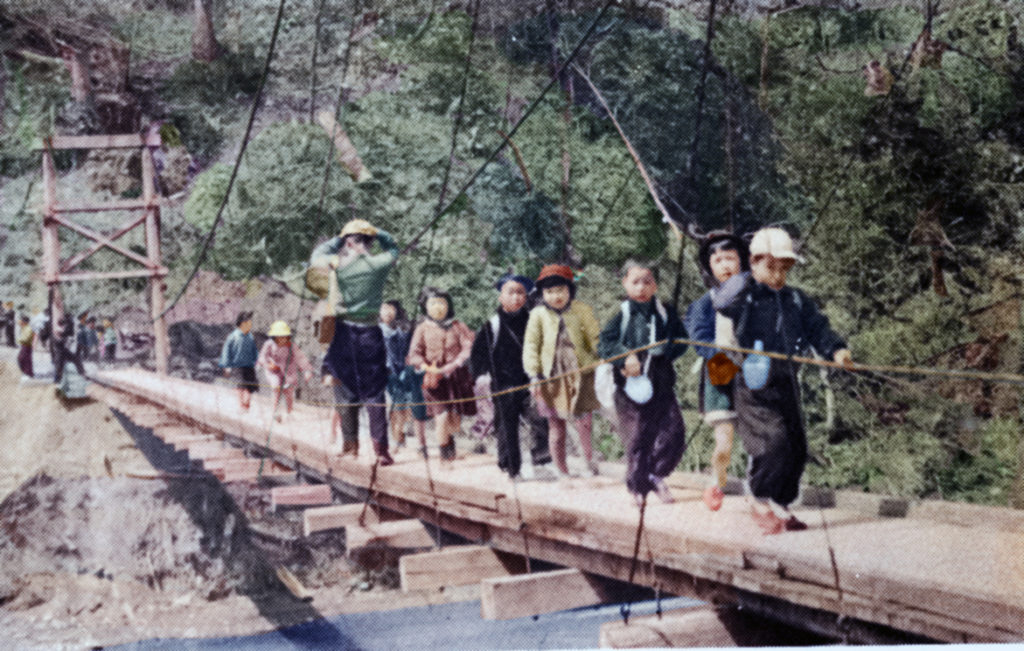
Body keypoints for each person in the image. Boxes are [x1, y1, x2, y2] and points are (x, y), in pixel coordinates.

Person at [714, 227, 852, 534]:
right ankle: (759, 497)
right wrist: (749, 276)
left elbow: (818, 328)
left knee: (796, 445)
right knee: (771, 441)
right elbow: (722, 302)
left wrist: (837, 349)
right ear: (754, 263)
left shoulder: (795, 299)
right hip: (751, 382)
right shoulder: (744, 295)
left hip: (786, 380)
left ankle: (781, 500)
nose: (777, 276)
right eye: (770, 267)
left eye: (783, 269)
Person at [598, 262, 688, 504]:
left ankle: (656, 473)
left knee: (675, 431)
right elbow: (604, 344)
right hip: (629, 384)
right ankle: (638, 486)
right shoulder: (621, 314)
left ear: (655, 285)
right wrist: (625, 355)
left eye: (647, 282)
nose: (641, 287)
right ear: (625, 283)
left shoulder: (665, 312)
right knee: (638, 435)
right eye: (635, 281)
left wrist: (668, 348)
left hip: (661, 382)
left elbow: (682, 341)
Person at [311, 219, 399, 466]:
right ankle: (381, 451)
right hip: (371, 332)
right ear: (370, 242)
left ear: (349, 241)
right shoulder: (378, 264)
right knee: (374, 393)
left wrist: (338, 239)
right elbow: (393, 248)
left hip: (343, 333)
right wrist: (378, 231)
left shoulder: (337, 263)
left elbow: (317, 255)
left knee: (344, 389)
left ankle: (350, 446)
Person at [684, 232, 750, 511]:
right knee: (724, 441)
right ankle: (716, 481)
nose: (725, 265)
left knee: (756, 438)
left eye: (730, 258)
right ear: (709, 266)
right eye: (718, 260)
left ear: (742, 261)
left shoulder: (753, 296)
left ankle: (756, 487)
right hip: (720, 375)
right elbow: (698, 336)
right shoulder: (705, 302)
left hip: (751, 374)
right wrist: (717, 354)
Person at [470, 273, 552, 481]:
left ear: (526, 297)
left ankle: (541, 461)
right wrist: (481, 377)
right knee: (507, 425)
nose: (516, 297)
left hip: (531, 380)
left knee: (540, 419)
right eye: (511, 292)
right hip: (503, 383)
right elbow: (478, 355)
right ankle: (511, 467)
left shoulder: (534, 321)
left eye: (520, 293)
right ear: (501, 297)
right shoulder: (493, 325)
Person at [523, 264, 601, 479]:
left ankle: (588, 464)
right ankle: (562, 470)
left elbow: (594, 337)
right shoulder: (538, 315)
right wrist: (534, 376)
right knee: (556, 427)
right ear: (542, 294)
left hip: (580, 372)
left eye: (560, 290)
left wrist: (603, 355)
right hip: (550, 376)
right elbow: (531, 345)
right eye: (549, 291)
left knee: (584, 422)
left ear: (569, 290)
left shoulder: (581, 310)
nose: (555, 296)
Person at [407, 287, 476, 463]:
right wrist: (425, 366)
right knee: (441, 416)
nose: (438, 307)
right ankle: (444, 456)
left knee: (454, 420)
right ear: (426, 307)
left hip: (456, 377)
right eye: (433, 303)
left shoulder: (458, 326)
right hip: (434, 378)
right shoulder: (422, 328)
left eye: (441, 303)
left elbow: (468, 347)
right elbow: (414, 353)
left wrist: (455, 364)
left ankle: (449, 441)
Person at [380, 300, 429, 456]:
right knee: (397, 407)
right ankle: (398, 440)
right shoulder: (377, 330)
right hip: (390, 374)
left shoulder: (405, 329)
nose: (388, 312)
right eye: (384, 309)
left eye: (391, 309)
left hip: (410, 372)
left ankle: (421, 445)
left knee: (416, 406)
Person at [258, 320, 313, 422]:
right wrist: (267, 364)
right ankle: (276, 412)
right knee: (276, 388)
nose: (282, 339)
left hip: (288, 372)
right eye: (279, 337)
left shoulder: (291, 346)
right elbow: (262, 357)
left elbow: (300, 358)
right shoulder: (269, 344)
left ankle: (289, 412)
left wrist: (307, 370)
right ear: (274, 337)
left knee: (289, 392)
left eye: (284, 336)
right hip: (274, 371)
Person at [219, 311, 259, 411]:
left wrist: (257, 362)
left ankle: (247, 403)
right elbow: (226, 351)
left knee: (250, 386)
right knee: (240, 386)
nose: (250, 325)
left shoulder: (250, 337)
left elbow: (254, 350)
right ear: (241, 323)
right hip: (237, 366)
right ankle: (242, 405)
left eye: (250, 323)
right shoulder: (233, 337)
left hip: (249, 365)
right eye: (248, 323)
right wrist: (226, 366)